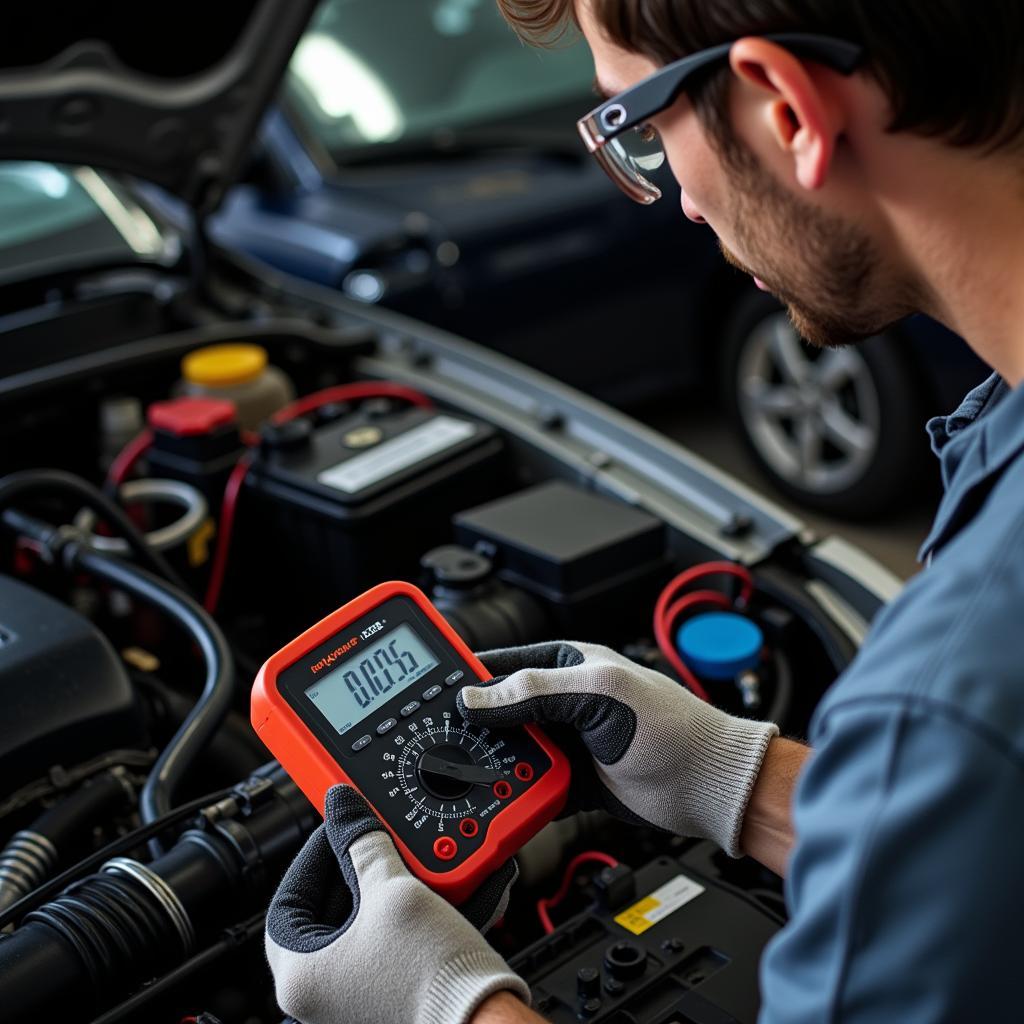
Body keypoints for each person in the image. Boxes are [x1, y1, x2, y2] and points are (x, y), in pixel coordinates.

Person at [264, 2, 1024, 1021]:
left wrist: (451, 1008)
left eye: (639, 124)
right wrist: (733, 779)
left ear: (786, 110)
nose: (679, 205)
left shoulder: (955, 687)